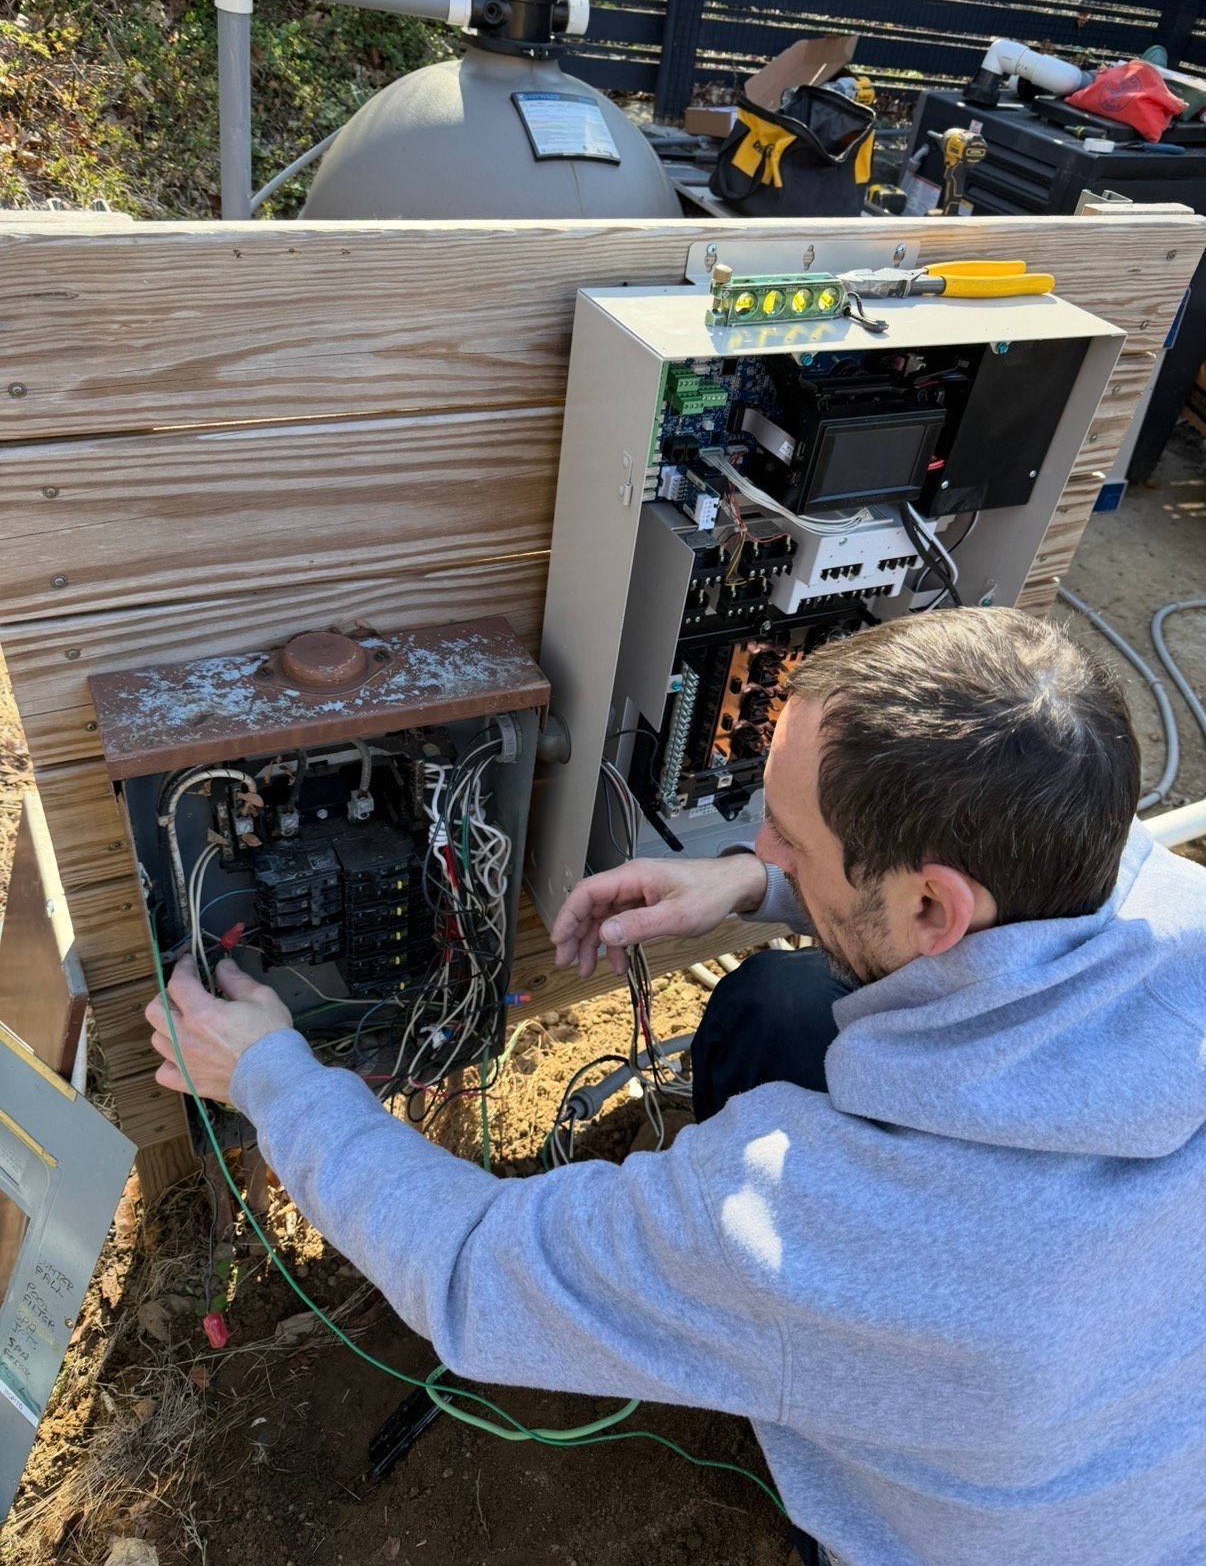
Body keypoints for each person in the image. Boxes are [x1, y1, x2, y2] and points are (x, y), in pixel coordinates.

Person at [147, 609, 1206, 1566]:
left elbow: (471, 1269)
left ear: (932, 905)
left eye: (785, 833)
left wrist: (270, 1077)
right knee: (783, 1005)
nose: (755, 842)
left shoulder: (811, 1218)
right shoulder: (1160, 895)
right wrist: (765, 885)